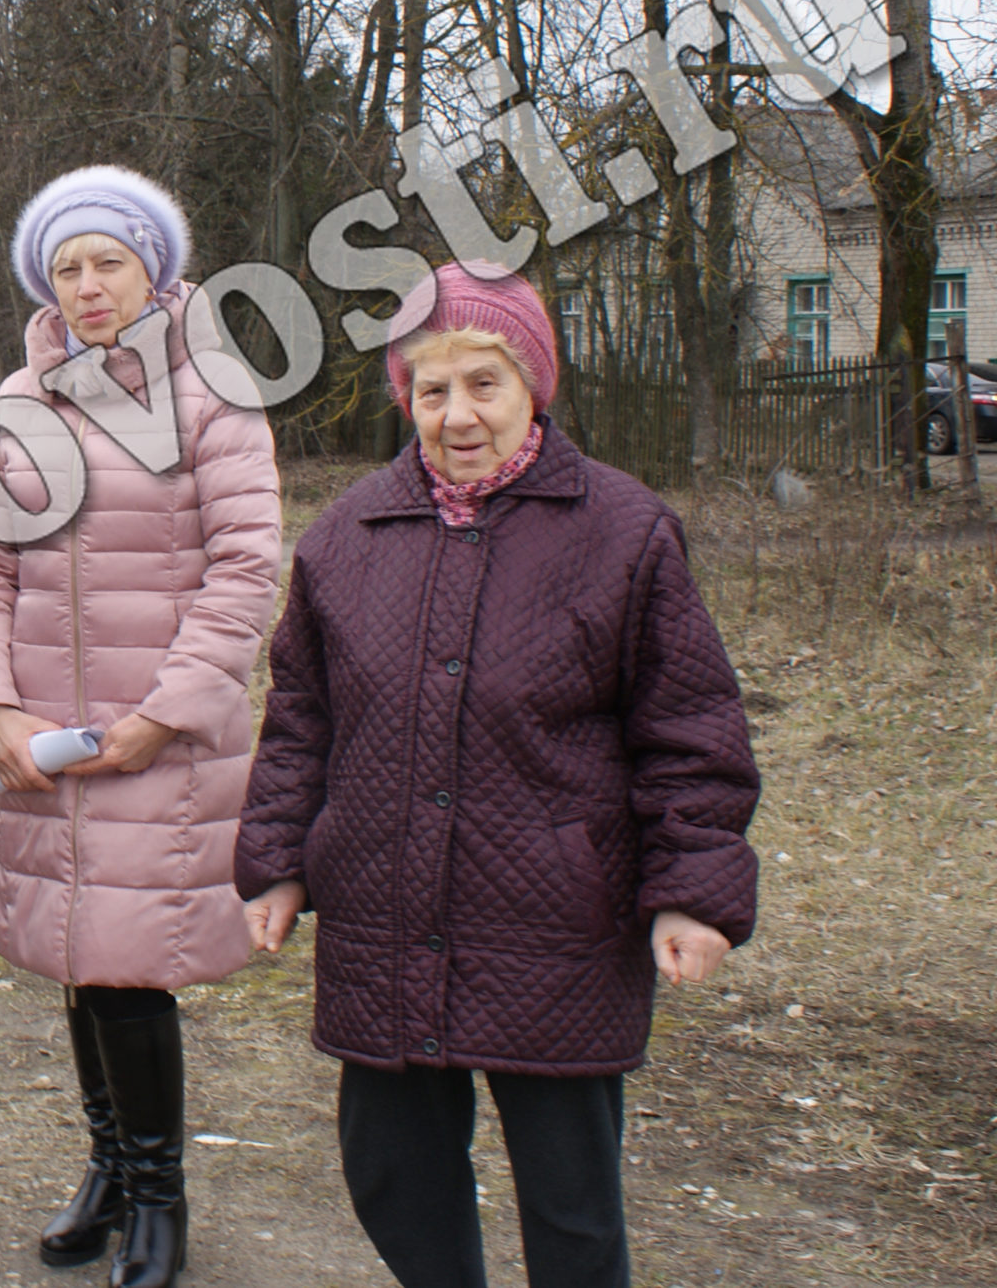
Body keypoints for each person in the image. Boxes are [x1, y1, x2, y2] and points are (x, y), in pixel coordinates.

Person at [235, 262, 760, 1288]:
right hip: (384, 915)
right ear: (405, 399)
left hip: (559, 916)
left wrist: (690, 894)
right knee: (393, 1174)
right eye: (431, 389)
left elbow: (688, 727)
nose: (456, 414)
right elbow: (300, 720)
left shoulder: (622, 530)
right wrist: (277, 862)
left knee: (570, 1203)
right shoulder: (346, 537)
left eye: (484, 383)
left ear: (535, 388)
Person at [0, 166, 284, 1288]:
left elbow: (244, 570)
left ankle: (159, 1197)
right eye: (67, 268)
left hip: (158, 741)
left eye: (110, 262)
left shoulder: (211, 393)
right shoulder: (18, 400)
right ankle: (106, 1164)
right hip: (43, 734)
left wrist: (162, 715)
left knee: (130, 967)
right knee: (75, 951)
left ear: (156, 270)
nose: (88, 286)